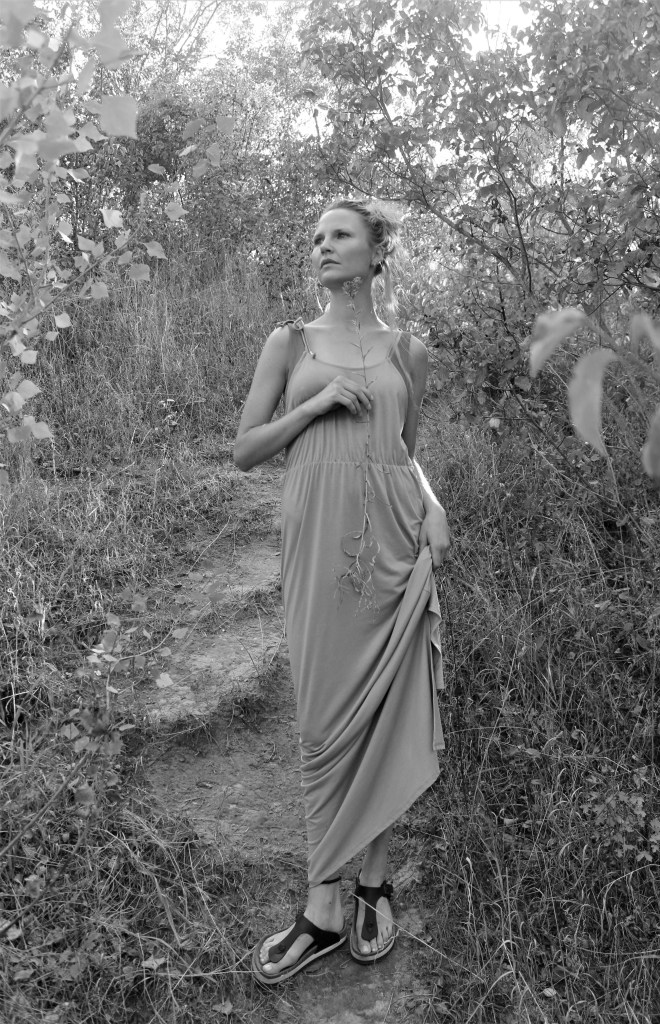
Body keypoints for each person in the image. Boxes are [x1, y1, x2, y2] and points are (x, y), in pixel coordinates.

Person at [233, 198, 450, 984]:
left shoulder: (409, 351)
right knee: (324, 715)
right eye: (316, 238)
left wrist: (432, 504)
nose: (322, 246)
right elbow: (245, 449)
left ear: (375, 251)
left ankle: (371, 883)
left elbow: (404, 449)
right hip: (318, 532)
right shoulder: (289, 342)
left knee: (384, 708)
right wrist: (317, 404)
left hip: (393, 535)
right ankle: (321, 903)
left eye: (339, 235)